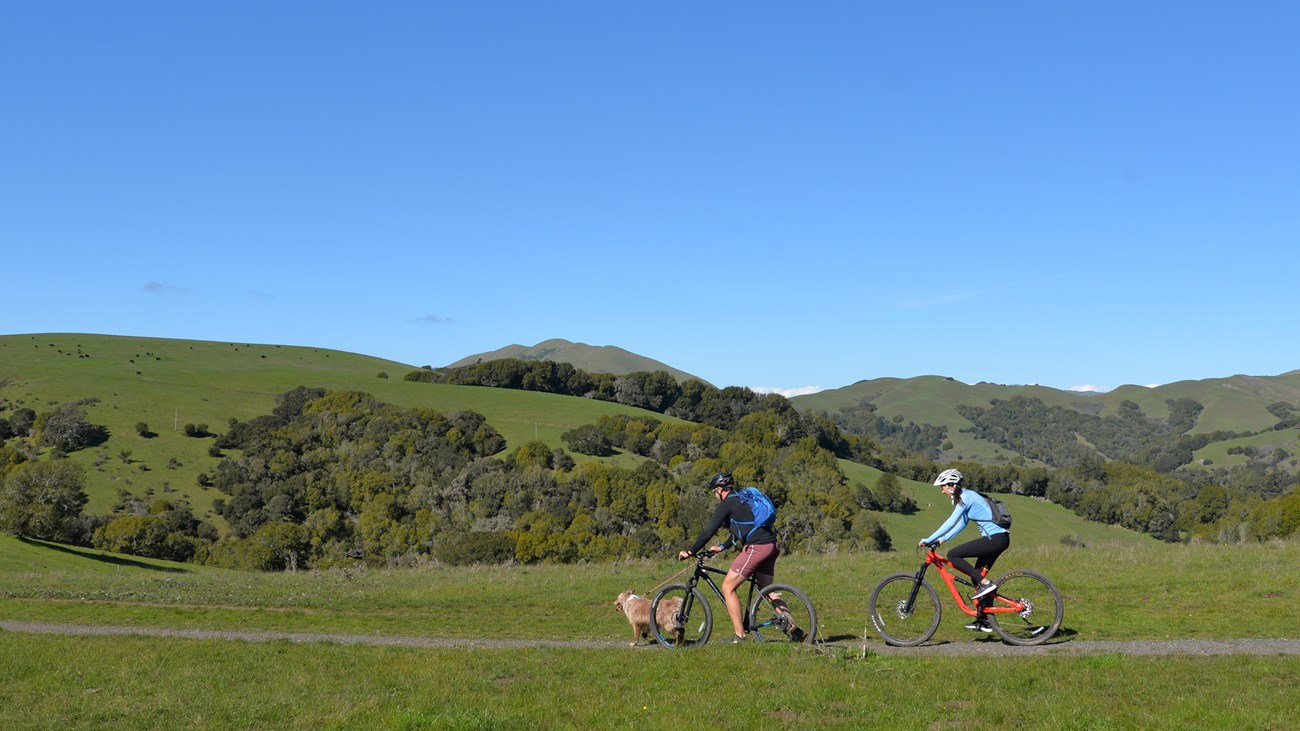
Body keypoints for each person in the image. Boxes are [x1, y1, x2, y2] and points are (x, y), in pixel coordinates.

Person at [678, 472, 798, 643]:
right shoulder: (743, 499)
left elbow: (708, 532)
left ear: (720, 490)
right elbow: (740, 529)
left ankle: (739, 636)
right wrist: (722, 547)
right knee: (767, 591)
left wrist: (690, 551)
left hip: (757, 547)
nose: (715, 495)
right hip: (771, 545)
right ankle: (793, 627)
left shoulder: (727, 504)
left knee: (728, 587)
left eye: (714, 492)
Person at [919, 468, 1010, 633]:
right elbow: (962, 524)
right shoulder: (969, 496)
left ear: (952, 485)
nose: (942, 491)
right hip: (998, 539)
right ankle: (984, 620)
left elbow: (951, 521)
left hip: (995, 539)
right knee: (976, 578)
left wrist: (928, 539)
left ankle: (985, 584)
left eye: (943, 487)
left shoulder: (966, 497)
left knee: (953, 555)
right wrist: (942, 539)